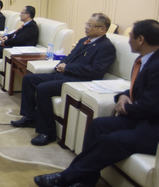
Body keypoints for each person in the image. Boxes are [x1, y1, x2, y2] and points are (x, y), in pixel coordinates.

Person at [34, 20, 159, 187]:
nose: (128, 40)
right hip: (150, 117)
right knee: (98, 125)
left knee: (111, 140)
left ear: (141, 39)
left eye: (131, 36)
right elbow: (138, 90)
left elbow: (154, 106)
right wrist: (123, 97)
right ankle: (86, 185)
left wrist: (126, 108)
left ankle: (66, 177)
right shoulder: (150, 59)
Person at [11, 13, 116, 146]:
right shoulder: (84, 40)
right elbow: (69, 56)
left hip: (78, 81)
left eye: (91, 25)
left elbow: (96, 70)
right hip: (64, 74)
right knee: (29, 79)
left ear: (102, 29)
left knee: (43, 89)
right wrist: (60, 65)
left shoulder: (106, 47)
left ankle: (47, 132)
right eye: (87, 24)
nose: (86, 27)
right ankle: (30, 117)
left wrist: (68, 68)